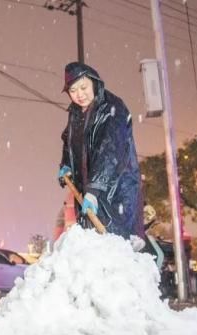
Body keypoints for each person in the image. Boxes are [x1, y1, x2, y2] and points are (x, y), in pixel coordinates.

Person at [57, 61, 144, 240]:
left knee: (114, 244)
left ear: (94, 82)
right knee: (93, 245)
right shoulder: (75, 113)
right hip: (87, 191)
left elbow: (110, 151)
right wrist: (66, 165)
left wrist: (95, 190)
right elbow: (69, 142)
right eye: (73, 91)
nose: (80, 95)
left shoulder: (113, 108)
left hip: (115, 191)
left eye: (83, 87)